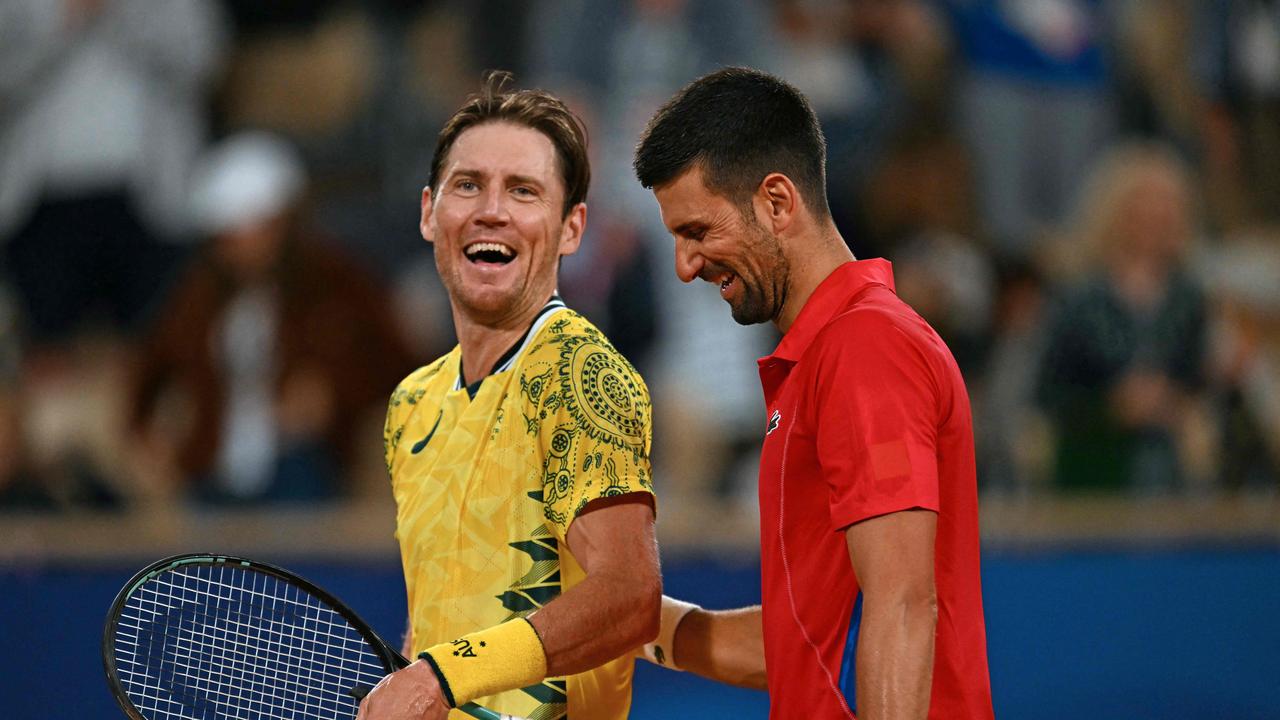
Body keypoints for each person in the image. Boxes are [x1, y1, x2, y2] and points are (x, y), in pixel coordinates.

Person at [632, 67, 993, 719]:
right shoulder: (828, 355)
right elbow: (797, 649)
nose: (686, 266)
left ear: (776, 202)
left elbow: (903, 604)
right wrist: (629, 618)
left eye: (697, 232)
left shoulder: (865, 347)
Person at [358, 73, 661, 720]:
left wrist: (442, 675)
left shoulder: (579, 371)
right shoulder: (413, 402)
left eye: (523, 191)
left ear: (571, 228)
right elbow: (443, 620)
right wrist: (425, 670)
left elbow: (629, 594)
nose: (490, 210)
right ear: (427, 212)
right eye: (468, 185)